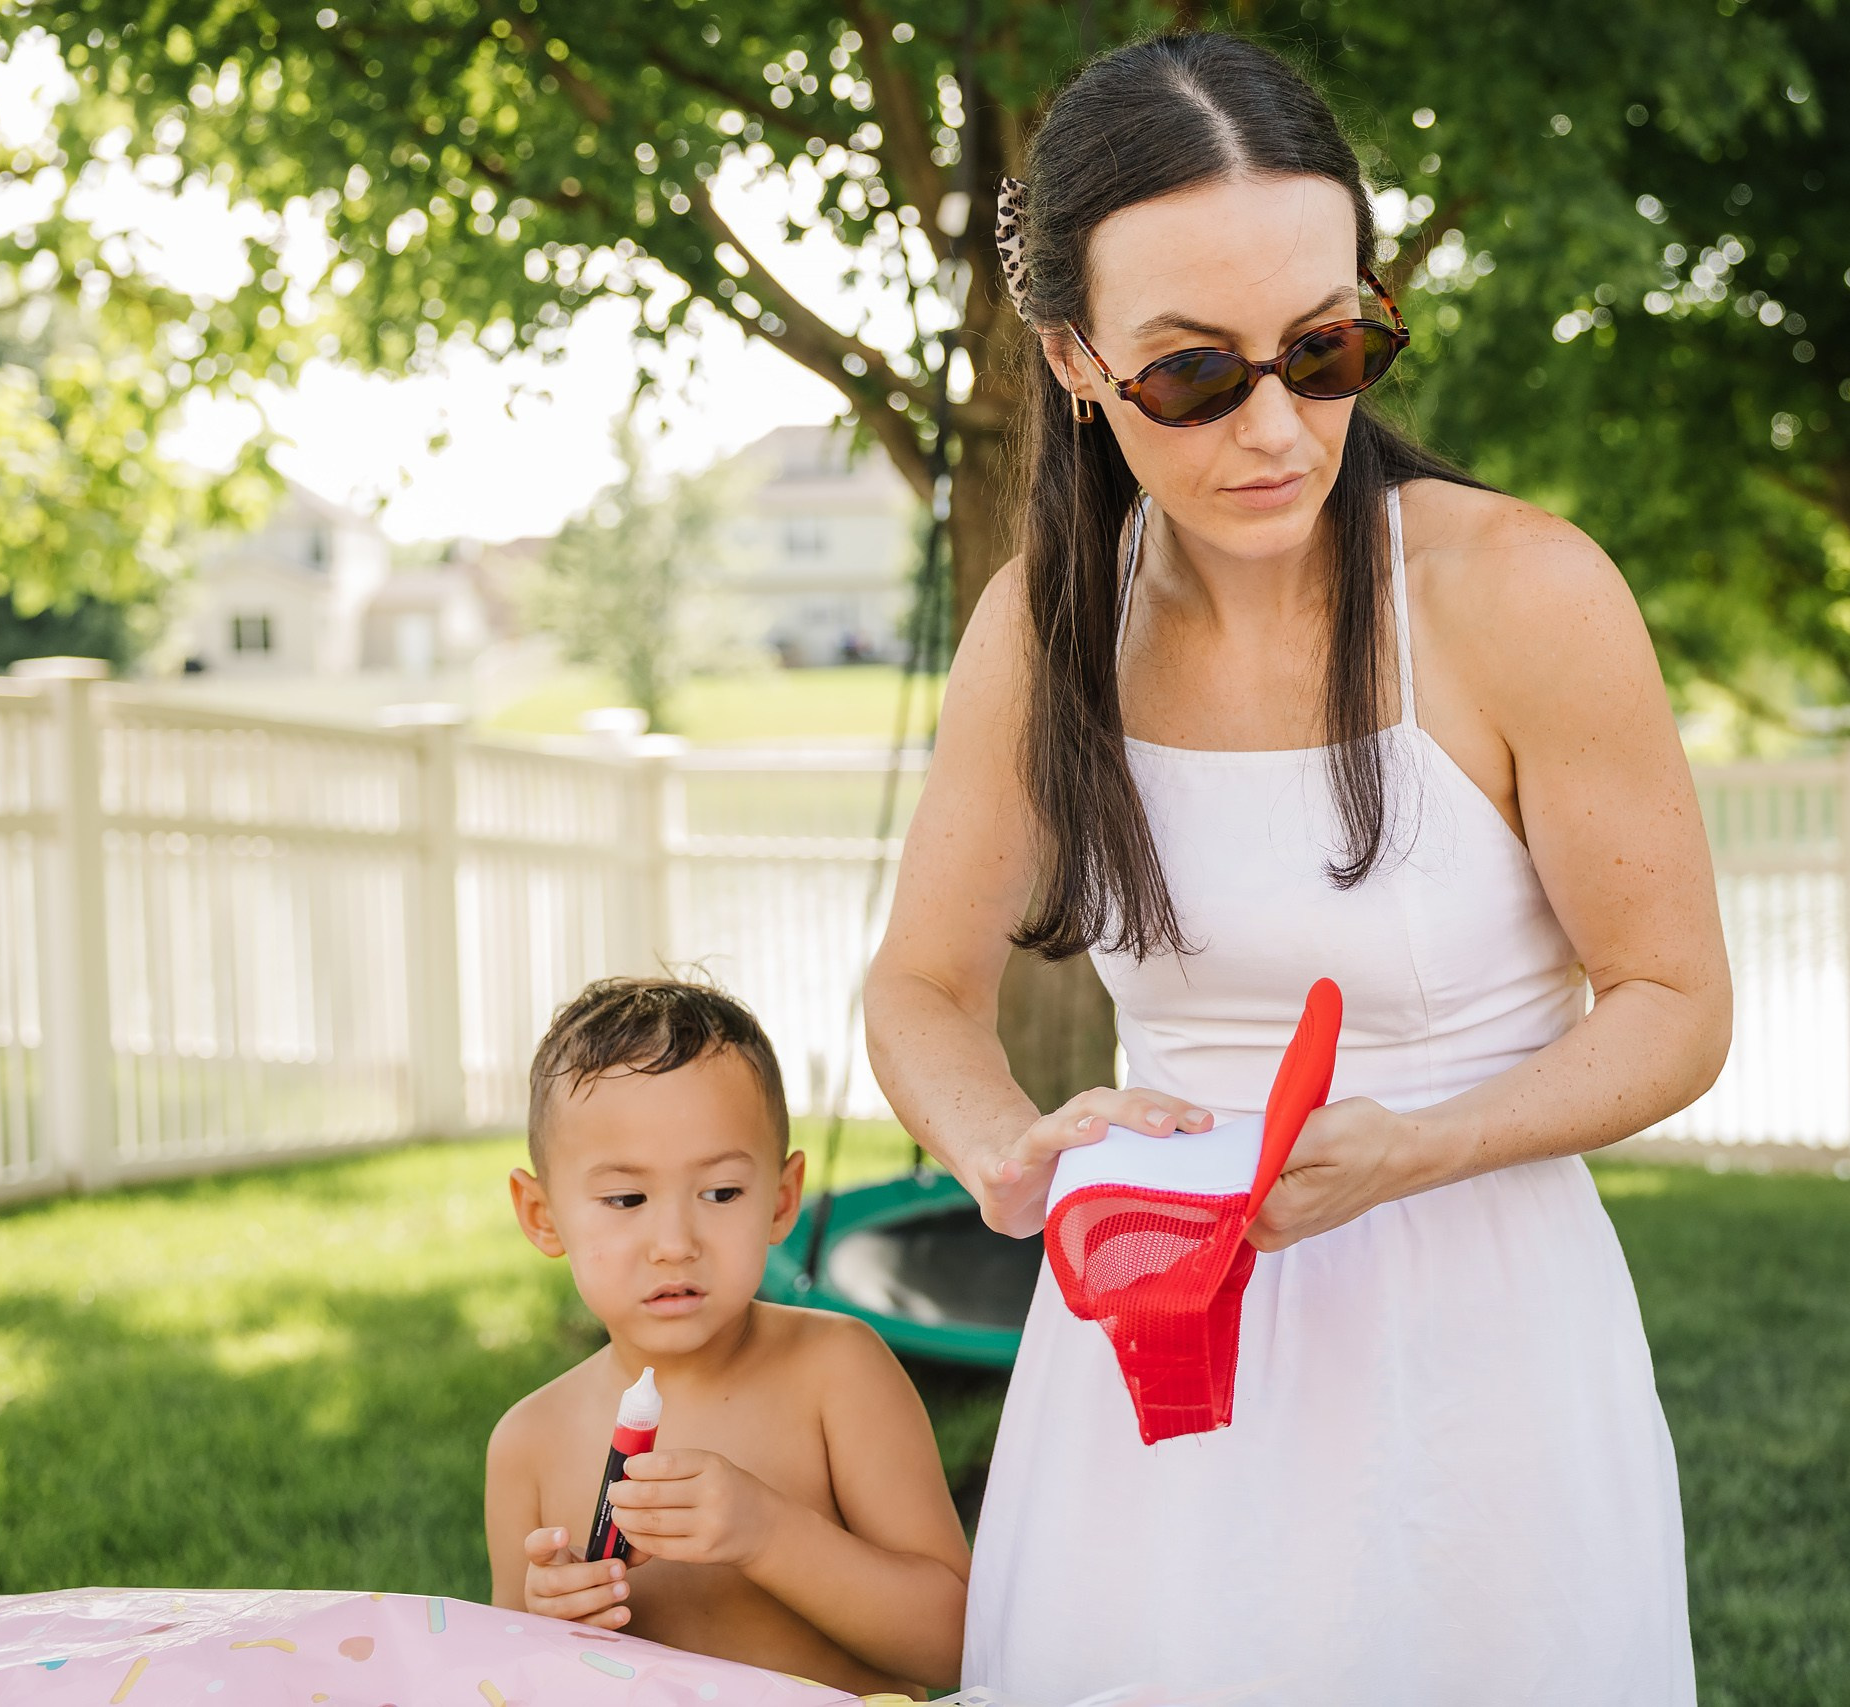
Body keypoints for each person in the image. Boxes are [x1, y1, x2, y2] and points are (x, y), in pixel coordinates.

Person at [862, 31, 1733, 1706]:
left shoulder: (1520, 593)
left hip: (1480, 1330)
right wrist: (1005, 1150)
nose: (1277, 425)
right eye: (1195, 374)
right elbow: (918, 988)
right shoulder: (1046, 631)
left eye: (1327, 348)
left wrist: (1420, 1148)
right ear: (1072, 358)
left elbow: (1678, 1002)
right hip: (1143, 1348)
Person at [485, 976, 969, 1696]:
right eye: (625, 1198)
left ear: (781, 1200)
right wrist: (546, 1623)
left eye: (720, 1193)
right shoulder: (528, 1442)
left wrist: (769, 1532)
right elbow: (503, 1675)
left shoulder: (839, 1374)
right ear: (542, 1214)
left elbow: (954, 1647)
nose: (675, 1242)